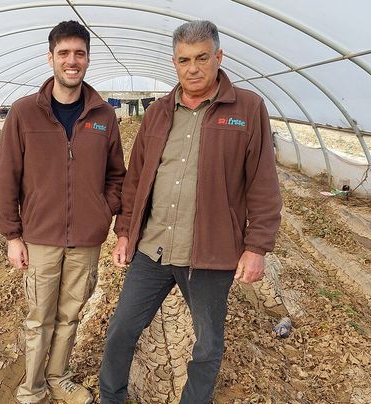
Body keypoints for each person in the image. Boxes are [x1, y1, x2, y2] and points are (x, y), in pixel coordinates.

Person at [99, 20, 282, 404]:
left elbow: (262, 182)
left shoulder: (247, 109)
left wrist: (257, 247)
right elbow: (135, 180)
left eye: (202, 58)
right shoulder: (159, 112)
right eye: (184, 60)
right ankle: (111, 397)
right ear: (174, 62)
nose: (193, 68)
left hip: (209, 254)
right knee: (121, 331)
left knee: (207, 342)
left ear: (219, 57)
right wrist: (124, 232)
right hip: (153, 249)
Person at [0, 20, 126, 404]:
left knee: (70, 315)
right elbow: (6, 177)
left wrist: (103, 211)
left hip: (85, 239)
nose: (72, 61)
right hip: (40, 237)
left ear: (87, 59)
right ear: (50, 58)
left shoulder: (103, 116)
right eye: (64, 53)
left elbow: (117, 175)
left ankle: (58, 377)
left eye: (79, 54)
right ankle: (32, 389)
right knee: (39, 318)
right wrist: (12, 236)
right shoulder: (24, 113)